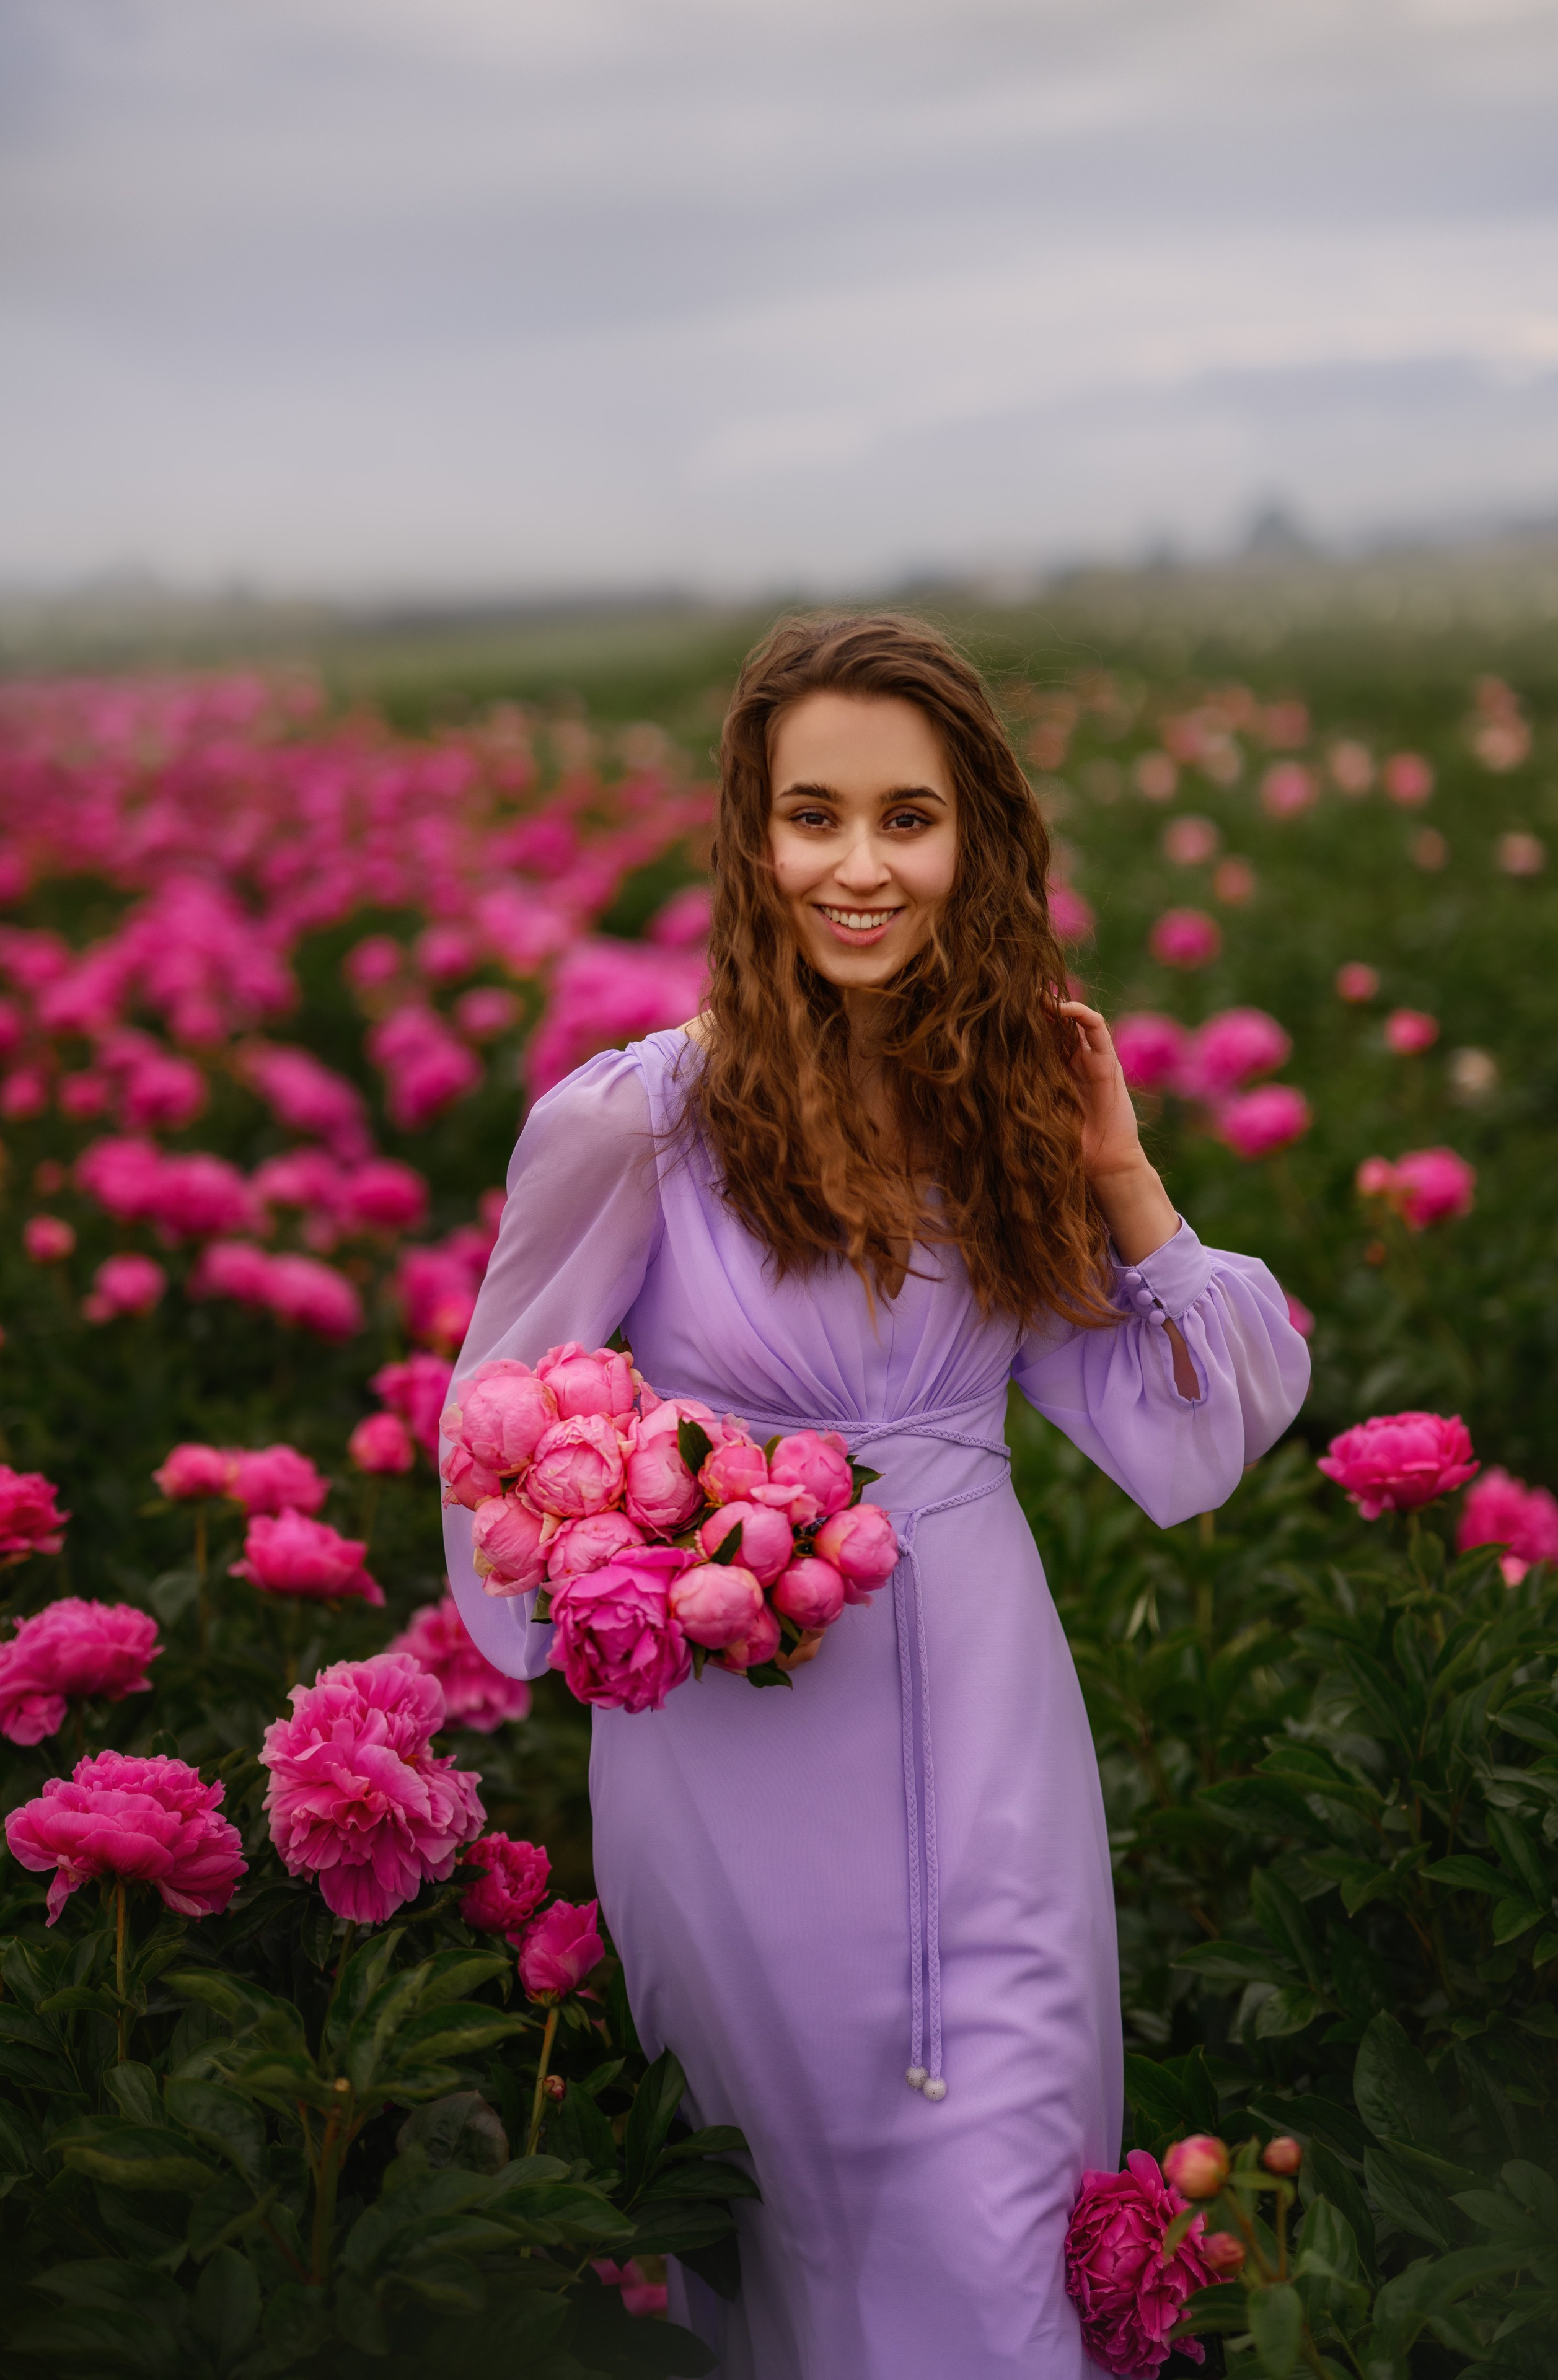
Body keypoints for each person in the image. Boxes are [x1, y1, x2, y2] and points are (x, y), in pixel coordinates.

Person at [443, 614, 1310, 2379]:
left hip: (998, 1746)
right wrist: (667, 1523)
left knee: (1000, 2217)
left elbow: (1192, 1430)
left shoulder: (1004, 1110)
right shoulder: (637, 1126)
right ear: (751, 841)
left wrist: (1123, 1166)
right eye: (813, 815)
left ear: (973, 839)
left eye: (907, 818)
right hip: (730, 1754)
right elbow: (492, 1449)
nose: (860, 866)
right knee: (798, 2238)